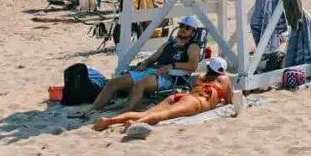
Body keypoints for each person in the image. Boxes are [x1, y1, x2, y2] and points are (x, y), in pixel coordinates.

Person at [90, 16, 203, 112]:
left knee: (140, 84)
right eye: (182, 26)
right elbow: (153, 58)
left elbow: (193, 65)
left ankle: (124, 112)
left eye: (187, 28)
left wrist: (171, 66)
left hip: (169, 76)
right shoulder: (169, 44)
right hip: (151, 71)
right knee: (114, 82)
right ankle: (92, 110)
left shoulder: (192, 47)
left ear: (193, 33)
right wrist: (144, 63)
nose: (183, 29)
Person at [93, 57, 235, 132]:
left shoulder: (200, 78)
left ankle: (111, 120)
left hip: (182, 96)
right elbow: (229, 102)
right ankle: (135, 123)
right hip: (195, 102)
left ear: (209, 67)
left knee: (147, 112)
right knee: (164, 115)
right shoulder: (224, 80)